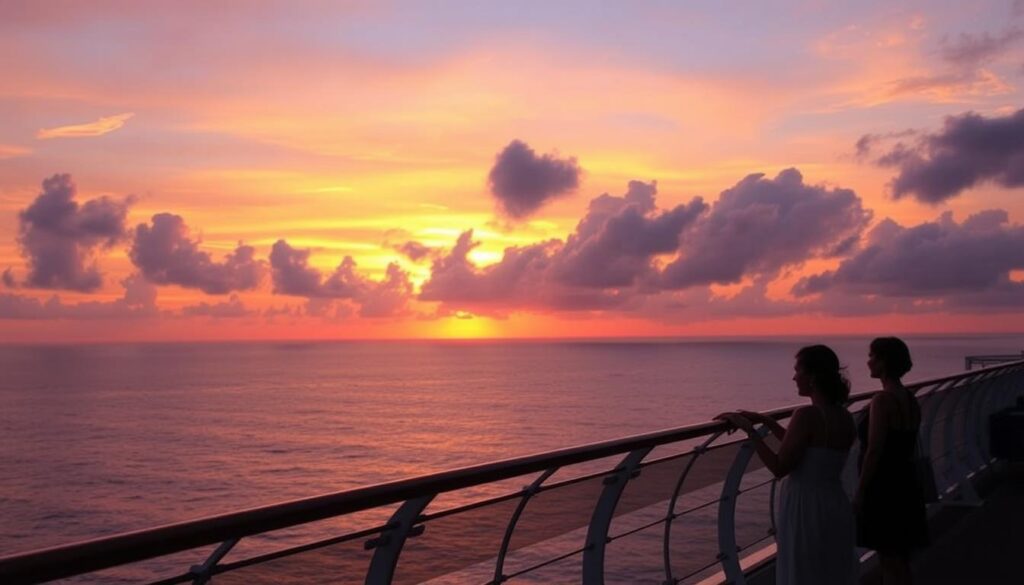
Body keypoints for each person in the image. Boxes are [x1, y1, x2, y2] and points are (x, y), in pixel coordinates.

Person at [717, 345, 858, 585]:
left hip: (805, 505)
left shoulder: (806, 415)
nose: (794, 377)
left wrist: (750, 430)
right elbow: (808, 447)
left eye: (797, 371)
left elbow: (779, 467)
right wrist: (766, 420)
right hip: (834, 501)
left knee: (804, 570)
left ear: (812, 377)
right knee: (831, 569)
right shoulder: (843, 416)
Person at [854, 337, 928, 585]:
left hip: (884, 486)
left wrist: (861, 490)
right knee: (900, 556)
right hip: (906, 482)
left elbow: (874, 449)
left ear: (884, 362)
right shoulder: (909, 398)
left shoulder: (882, 400)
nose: (868, 361)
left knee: (889, 557)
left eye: (872, 356)